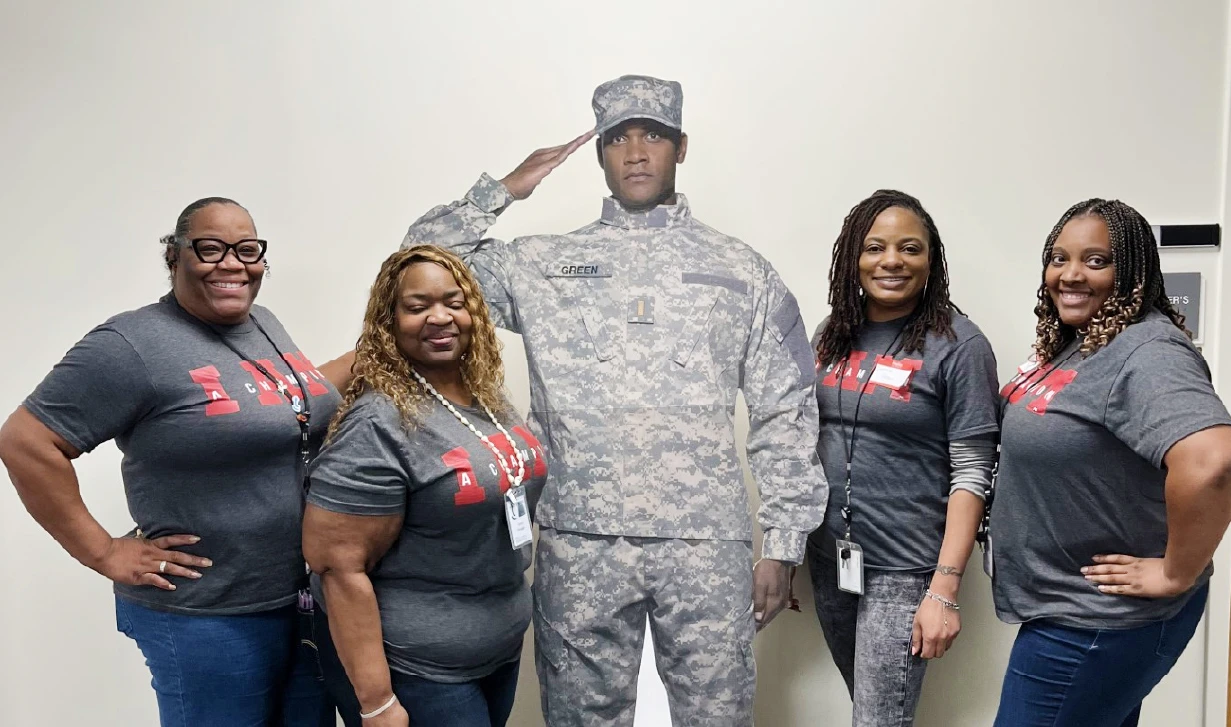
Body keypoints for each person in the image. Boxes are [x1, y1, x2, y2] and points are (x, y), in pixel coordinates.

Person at [401, 74, 826, 725]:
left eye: (651, 135)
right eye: (617, 138)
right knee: (579, 716)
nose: (634, 151)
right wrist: (500, 191)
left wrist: (784, 541)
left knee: (716, 715)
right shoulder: (542, 262)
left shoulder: (740, 270)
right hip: (579, 539)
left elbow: (785, 407)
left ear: (680, 147)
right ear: (598, 152)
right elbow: (419, 263)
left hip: (704, 543)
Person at [0, 197, 353, 726]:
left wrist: (394, 336)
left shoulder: (263, 324)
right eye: (210, 249)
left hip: (296, 601)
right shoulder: (130, 344)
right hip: (207, 616)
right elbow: (25, 441)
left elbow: (294, 399)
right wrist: (103, 552)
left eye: (247, 250)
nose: (232, 264)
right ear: (175, 256)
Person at [990, 198, 1231, 726]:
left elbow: (1213, 462)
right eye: (1059, 258)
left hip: (1095, 623)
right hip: (1074, 613)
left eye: (1096, 261)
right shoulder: (1082, 342)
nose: (1070, 274)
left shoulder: (1148, 351)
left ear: (1134, 272)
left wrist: (1175, 572)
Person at [302, 245, 549, 727]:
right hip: (417, 669)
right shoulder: (378, 422)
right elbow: (337, 567)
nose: (441, 317)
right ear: (389, 322)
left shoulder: (484, 395)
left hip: (495, 652)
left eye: (454, 303)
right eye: (417, 307)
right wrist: (376, 703)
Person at [805, 190, 999, 725]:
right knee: (873, 712)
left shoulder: (958, 344)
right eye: (875, 247)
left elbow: (973, 472)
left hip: (906, 570)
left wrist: (945, 586)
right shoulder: (832, 335)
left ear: (931, 260)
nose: (892, 261)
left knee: (878, 720)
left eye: (910, 248)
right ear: (852, 258)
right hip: (832, 560)